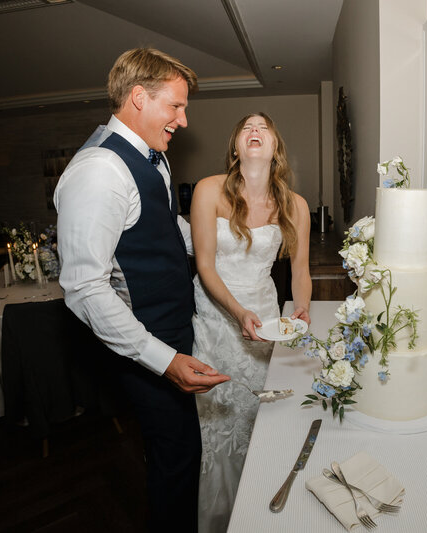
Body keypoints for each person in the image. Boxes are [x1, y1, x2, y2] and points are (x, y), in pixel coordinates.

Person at [53, 48, 230, 532]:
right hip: (146, 345)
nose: (184, 120)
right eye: (176, 106)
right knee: (176, 460)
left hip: (173, 329)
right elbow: (85, 289)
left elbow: (160, 227)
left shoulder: (154, 156)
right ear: (138, 97)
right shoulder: (99, 171)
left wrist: (226, 239)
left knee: (179, 453)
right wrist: (164, 360)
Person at [190, 112, 312, 532]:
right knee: (222, 424)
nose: (255, 131)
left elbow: (301, 272)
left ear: (275, 146)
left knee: (265, 416)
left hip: (265, 317)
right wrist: (237, 312)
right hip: (217, 317)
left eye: (263, 127)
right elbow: (205, 266)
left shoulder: (296, 205)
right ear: (236, 147)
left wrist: (301, 308)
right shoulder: (208, 190)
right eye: (247, 127)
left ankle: (266, 514)